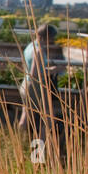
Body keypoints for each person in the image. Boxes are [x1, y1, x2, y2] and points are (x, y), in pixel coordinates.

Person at [18, 23, 64, 153]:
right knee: (47, 120)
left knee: (25, 117)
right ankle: (39, 152)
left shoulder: (29, 47)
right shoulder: (38, 50)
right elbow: (35, 74)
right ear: (48, 37)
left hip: (25, 85)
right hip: (36, 87)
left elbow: (29, 69)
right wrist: (54, 70)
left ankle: (18, 145)